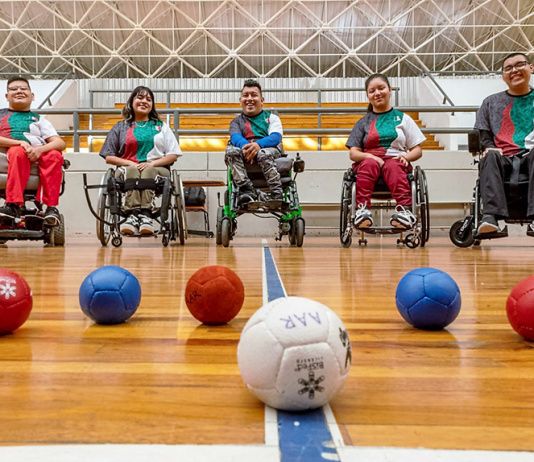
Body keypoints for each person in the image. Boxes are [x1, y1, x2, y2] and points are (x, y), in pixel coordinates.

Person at [346, 73, 426, 229]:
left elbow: (417, 149)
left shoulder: (403, 118)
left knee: (393, 165)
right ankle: (362, 210)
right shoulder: (363, 122)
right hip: (369, 165)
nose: (377, 93)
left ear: (390, 90)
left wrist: (406, 157)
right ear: (368, 96)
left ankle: (405, 211)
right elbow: (353, 153)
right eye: (372, 91)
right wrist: (371, 157)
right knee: (368, 163)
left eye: (381, 88)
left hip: (396, 162)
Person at [100, 86, 180, 236]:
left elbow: (173, 154)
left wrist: (152, 164)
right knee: (133, 170)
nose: (144, 101)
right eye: (140, 97)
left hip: (157, 168)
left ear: (152, 105)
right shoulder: (120, 127)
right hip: (127, 168)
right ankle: (132, 214)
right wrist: (130, 163)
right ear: (131, 102)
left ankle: (146, 215)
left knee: (147, 170)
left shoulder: (161, 126)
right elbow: (108, 156)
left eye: (148, 99)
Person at [474, 52, 534, 234]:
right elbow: (483, 135)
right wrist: (489, 147)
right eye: (508, 68)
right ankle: (490, 217)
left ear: (531, 68)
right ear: (503, 76)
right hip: (502, 158)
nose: (514, 70)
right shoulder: (490, 102)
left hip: (532, 155)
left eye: (519, 64)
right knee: (490, 155)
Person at [0, 76, 66, 226]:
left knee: (55, 155)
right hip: (12, 153)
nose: (19, 91)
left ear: (32, 96)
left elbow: (60, 142)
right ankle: (13, 204)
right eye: (14, 89)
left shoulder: (39, 119)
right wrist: (19, 143)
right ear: (7, 96)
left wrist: (39, 150)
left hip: (37, 153)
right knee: (17, 152)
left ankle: (51, 208)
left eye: (23, 89)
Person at [225, 79, 284, 205]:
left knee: (263, 153)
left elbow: (275, 137)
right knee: (231, 151)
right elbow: (235, 137)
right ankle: (247, 190)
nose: (249, 99)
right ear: (240, 100)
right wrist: (248, 148)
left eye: (254, 95)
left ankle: (276, 193)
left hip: (267, 149)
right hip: (245, 150)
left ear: (262, 100)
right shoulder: (236, 122)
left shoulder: (272, 118)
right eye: (245, 95)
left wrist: (258, 145)